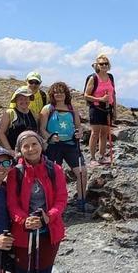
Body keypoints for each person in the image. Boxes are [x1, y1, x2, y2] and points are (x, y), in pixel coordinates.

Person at [6, 131, 68, 273]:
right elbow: (11, 203)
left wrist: (48, 217)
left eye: (34, 144)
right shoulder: (15, 173)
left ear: (41, 145)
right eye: (26, 146)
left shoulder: (55, 169)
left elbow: (61, 199)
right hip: (24, 234)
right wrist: (23, 220)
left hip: (49, 233)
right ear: (20, 150)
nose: (31, 149)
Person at [40, 82, 89, 213]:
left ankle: (81, 201)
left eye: (61, 92)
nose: (59, 94)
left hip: (71, 144)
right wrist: (49, 137)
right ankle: (54, 204)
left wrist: (79, 133)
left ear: (66, 94)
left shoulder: (72, 108)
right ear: (52, 94)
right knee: (53, 175)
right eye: (56, 92)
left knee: (82, 172)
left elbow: (79, 126)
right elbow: (42, 129)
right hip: (53, 146)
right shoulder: (47, 109)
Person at [83, 54, 115, 166]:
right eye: (102, 64)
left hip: (108, 108)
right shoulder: (93, 78)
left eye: (106, 63)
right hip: (96, 108)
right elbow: (86, 95)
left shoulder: (110, 77)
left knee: (104, 133)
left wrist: (114, 109)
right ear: (97, 65)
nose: (104, 65)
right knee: (95, 133)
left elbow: (113, 94)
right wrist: (100, 99)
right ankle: (92, 158)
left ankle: (101, 156)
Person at [0, 86, 39, 151]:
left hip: (30, 151)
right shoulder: (10, 113)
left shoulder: (33, 113)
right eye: (21, 99)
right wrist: (9, 150)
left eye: (26, 98)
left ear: (30, 99)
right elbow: (1, 133)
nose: (24, 101)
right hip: (14, 152)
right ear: (16, 100)